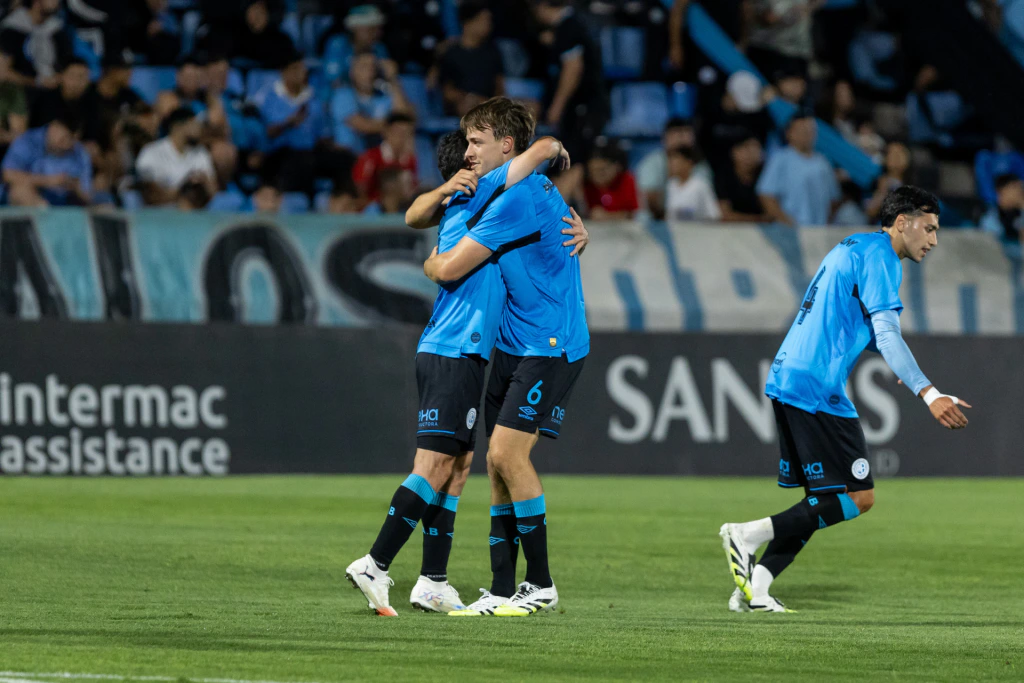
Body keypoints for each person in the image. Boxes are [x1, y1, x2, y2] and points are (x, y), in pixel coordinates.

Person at [344, 123, 587, 617]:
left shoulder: (476, 201)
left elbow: (417, 215)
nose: (476, 153)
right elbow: (530, 158)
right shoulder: (478, 203)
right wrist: (434, 265)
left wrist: (572, 212)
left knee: (462, 467)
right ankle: (377, 562)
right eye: (471, 147)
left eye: (481, 143)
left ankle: (436, 581)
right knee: (437, 466)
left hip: (477, 353)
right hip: (455, 350)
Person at [720, 186, 970, 613]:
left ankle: (756, 589)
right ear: (902, 222)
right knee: (858, 495)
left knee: (825, 496)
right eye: (928, 228)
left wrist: (899, 367)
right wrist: (927, 392)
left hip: (792, 375)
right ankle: (746, 534)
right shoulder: (883, 259)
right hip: (816, 385)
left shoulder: (857, 245)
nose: (933, 240)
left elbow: (859, 327)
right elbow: (888, 333)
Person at [419, 98, 590, 617]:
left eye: (477, 142)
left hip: (551, 345)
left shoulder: (512, 203)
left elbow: (449, 270)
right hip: (515, 343)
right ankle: (500, 587)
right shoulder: (524, 188)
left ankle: (539, 584)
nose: (467, 151)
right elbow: (564, 229)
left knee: (504, 457)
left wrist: (429, 263)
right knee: (496, 466)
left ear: (506, 147)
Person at [532, 0, 609, 197]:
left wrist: (557, 106)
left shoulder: (569, 27)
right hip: (577, 110)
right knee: (563, 161)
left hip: (585, 108)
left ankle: (556, 213)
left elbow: (573, 69)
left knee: (573, 160)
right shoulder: (567, 27)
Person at [258, 52, 353, 195]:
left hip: (310, 151)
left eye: (303, 69)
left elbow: (322, 134)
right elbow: (267, 133)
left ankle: (341, 202)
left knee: (344, 158)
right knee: (302, 162)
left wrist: (334, 146)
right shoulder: (269, 98)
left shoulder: (314, 99)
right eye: (296, 69)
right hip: (280, 154)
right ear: (284, 72)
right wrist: (288, 123)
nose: (302, 73)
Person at [757, 113, 840, 226]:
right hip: (789, 232)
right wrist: (786, 222)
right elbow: (766, 195)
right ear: (789, 133)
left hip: (818, 231)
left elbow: (834, 199)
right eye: (801, 130)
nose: (806, 134)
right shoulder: (780, 159)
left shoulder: (823, 162)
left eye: (810, 130)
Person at [330, 50, 410, 154]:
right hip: (348, 157)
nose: (370, 72)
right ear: (352, 71)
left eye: (373, 67)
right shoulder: (342, 95)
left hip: (379, 159)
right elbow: (364, 126)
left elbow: (403, 117)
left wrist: (393, 79)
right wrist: (393, 128)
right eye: (364, 67)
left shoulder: (383, 96)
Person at [135, 106, 217, 206]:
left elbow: (214, 194)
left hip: (196, 212)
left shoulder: (201, 153)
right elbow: (152, 196)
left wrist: (204, 182)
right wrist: (184, 187)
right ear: (177, 126)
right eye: (193, 123)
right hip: (160, 213)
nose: (199, 128)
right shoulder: (151, 152)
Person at [2, 117, 92, 207]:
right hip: (31, 200)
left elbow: (88, 196)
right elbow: (8, 175)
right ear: (54, 127)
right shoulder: (27, 141)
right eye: (64, 139)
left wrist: (75, 187)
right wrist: (48, 181)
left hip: (65, 203)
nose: (67, 145)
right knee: (20, 191)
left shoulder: (79, 151)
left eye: (72, 141)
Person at [436, 1, 505, 117]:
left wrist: (489, 101)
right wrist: (469, 97)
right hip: (461, 104)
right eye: (483, 20)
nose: (488, 25)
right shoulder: (450, 53)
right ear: (467, 23)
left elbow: (499, 85)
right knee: (468, 107)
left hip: (488, 104)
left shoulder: (493, 51)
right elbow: (447, 91)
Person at [636, 117, 713, 219]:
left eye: (687, 134)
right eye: (678, 134)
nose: (682, 139)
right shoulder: (651, 163)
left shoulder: (701, 165)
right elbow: (650, 200)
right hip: (652, 224)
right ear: (665, 138)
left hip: (692, 224)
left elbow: (704, 202)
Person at [0, 0, 73, 88]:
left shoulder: (57, 30)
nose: (56, 1)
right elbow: (3, 72)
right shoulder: (13, 29)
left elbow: (67, 64)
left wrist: (57, 79)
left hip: (53, 90)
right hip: (23, 90)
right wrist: (36, 82)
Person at [352, 113, 417, 202]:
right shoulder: (370, 157)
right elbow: (360, 191)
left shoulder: (410, 161)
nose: (404, 138)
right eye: (400, 133)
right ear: (387, 132)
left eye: (408, 134)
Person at [322, 4, 392, 86]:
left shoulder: (379, 48)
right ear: (355, 28)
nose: (377, 34)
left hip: (371, 96)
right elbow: (333, 80)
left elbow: (387, 79)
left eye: (378, 29)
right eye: (371, 29)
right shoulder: (337, 44)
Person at [716, 133, 768, 223]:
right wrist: (758, 219)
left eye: (756, 148)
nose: (752, 153)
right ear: (734, 151)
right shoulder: (723, 176)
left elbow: (772, 213)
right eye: (746, 148)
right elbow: (725, 214)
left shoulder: (767, 174)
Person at [582, 141, 639, 219]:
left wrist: (606, 216)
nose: (596, 176)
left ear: (617, 166)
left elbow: (633, 214)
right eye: (592, 171)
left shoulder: (627, 180)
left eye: (602, 170)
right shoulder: (586, 183)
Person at [665, 146, 721, 221]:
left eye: (677, 161)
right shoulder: (671, 185)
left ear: (688, 163)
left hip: (696, 230)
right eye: (671, 161)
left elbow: (714, 215)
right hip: (676, 231)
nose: (672, 165)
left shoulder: (701, 185)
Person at [866, 141, 910, 222]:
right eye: (892, 153)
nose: (897, 157)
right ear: (885, 159)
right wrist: (882, 191)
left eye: (901, 153)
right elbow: (870, 212)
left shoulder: (915, 182)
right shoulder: (878, 181)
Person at [979, 173, 1024, 244]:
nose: (1019, 191)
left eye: (1020, 187)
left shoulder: (1020, 211)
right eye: (1014, 187)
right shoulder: (992, 217)